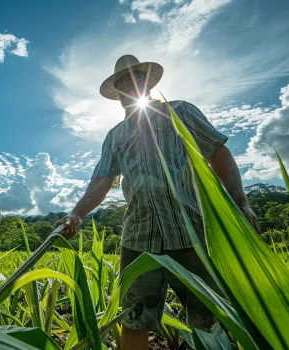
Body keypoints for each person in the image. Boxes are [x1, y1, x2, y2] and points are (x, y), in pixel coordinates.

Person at [53, 54, 260, 350]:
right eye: (123, 82)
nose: (130, 86)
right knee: (133, 318)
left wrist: (241, 203)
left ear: (148, 82)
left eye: (137, 79)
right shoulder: (115, 136)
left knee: (208, 318)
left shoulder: (181, 113)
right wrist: (77, 213)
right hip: (138, 239)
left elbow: (218, 152)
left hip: (191, 234)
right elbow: (102, 180)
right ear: (116, 92)